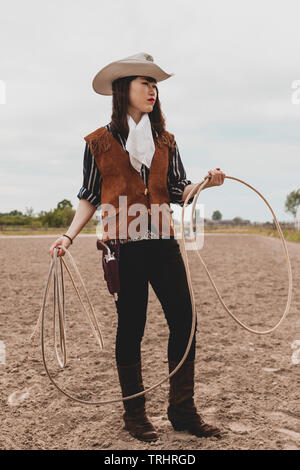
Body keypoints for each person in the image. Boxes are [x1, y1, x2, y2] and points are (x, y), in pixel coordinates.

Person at [49, 52, 225, 442]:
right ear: (123, 89)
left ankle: (183, 411)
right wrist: (68, 235)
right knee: (131, 329)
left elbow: (178, 190)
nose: (152, 90)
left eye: (155, 84)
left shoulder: (166, 141)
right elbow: (90, 195)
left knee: (185, 322)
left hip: (163, 243)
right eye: (144, 83)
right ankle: (135, 416)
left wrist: (205, 185)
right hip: (123, 247)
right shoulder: (98, 142)